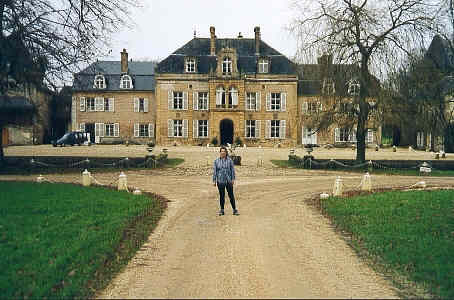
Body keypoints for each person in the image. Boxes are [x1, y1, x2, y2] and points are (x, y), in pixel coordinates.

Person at [213, 146, 239, 216]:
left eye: (224, 151)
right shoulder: (216, 161)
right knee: (222, 196)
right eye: (221, 151)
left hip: (229, 181)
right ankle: (222, 210)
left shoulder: (230, 160)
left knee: (231, 195)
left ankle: (234, 210)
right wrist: (214, 180)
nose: (223, 153)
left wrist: (233, 179)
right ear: (220, 152)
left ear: (226, 152)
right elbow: (215, 171)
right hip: (220, 181)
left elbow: (232, 170)